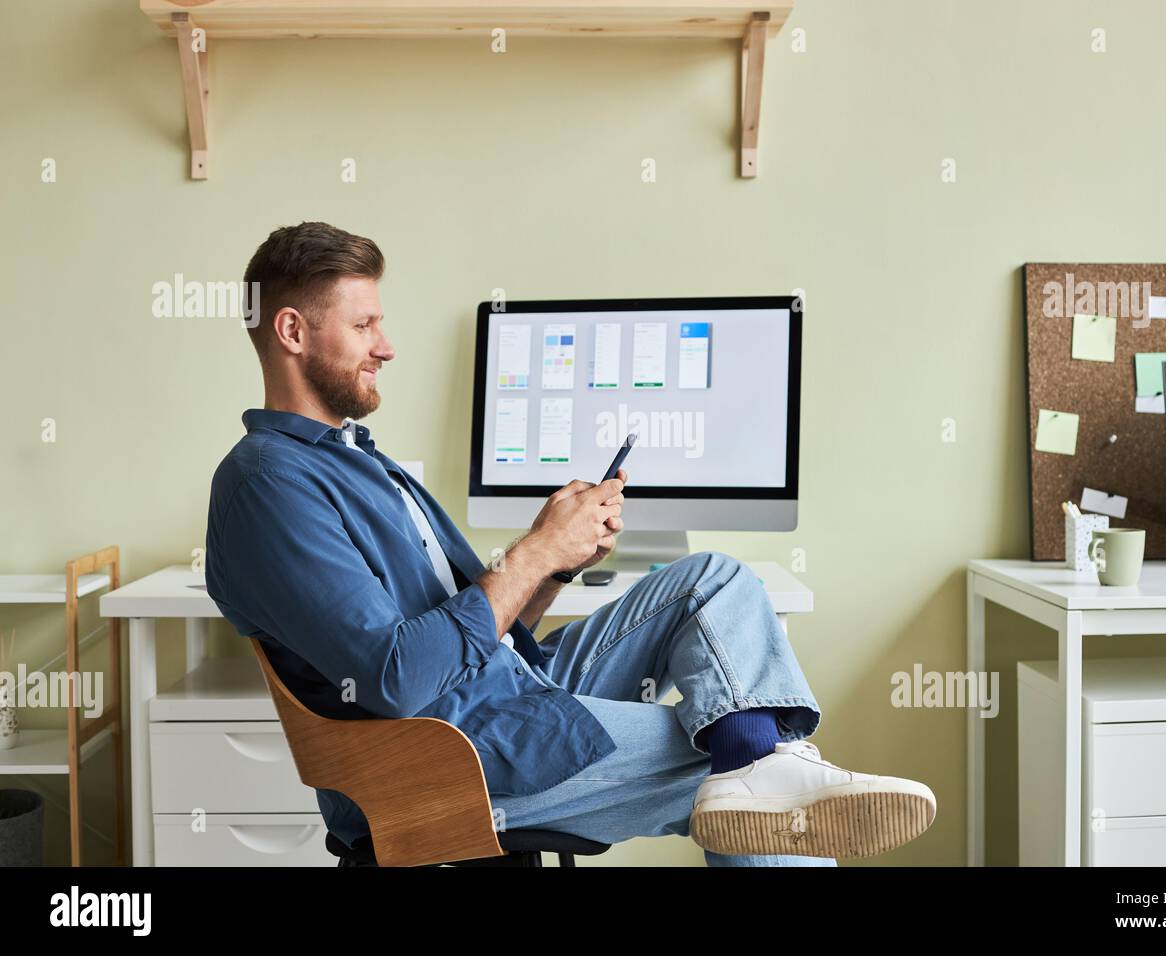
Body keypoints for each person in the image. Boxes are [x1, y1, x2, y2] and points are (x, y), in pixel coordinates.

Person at [205, 221, 937, 867]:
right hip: (448, 749)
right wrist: (533, 553)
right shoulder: (269, 484)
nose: (387, 347)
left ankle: (760, 763)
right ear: (294, 333)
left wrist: (555, 561)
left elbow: (478, 629)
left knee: (710, 581)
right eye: (364, 326)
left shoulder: (355, 458)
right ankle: (763, 766)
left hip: (509, 687)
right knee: (747, 775)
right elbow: (397, 679)